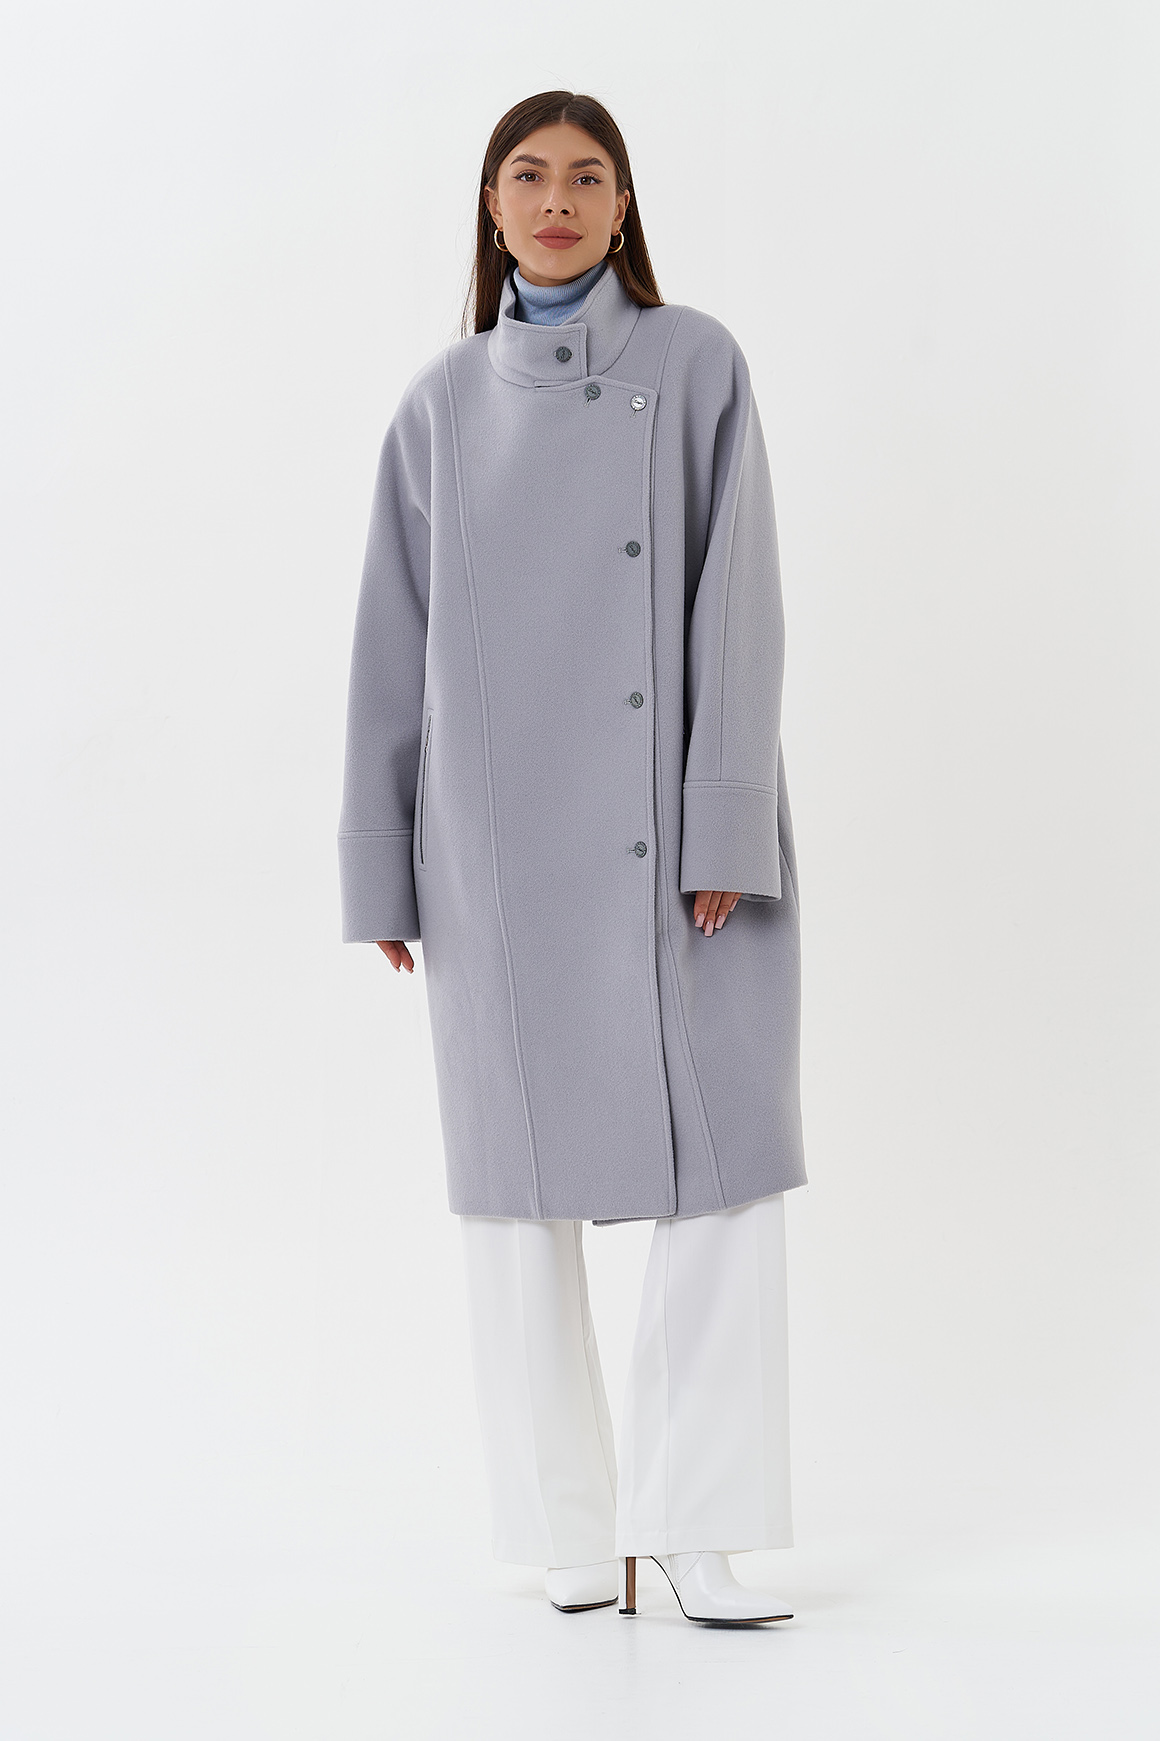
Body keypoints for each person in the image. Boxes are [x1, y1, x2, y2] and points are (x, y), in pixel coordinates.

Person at [337, 90, 808, 1626]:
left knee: (727, 1174)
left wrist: (724, 816)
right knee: (511, 1195)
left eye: (586, 176)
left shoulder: (698, 364)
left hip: (685, 851)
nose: (557, 200)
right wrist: (385, 866)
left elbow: (740, 603)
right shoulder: (438, 405)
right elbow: (389, 650)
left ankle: (700, 1523)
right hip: (493, 854)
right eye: (528, 176)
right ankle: (566, 1526)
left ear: (623, 206)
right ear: (492, 208)